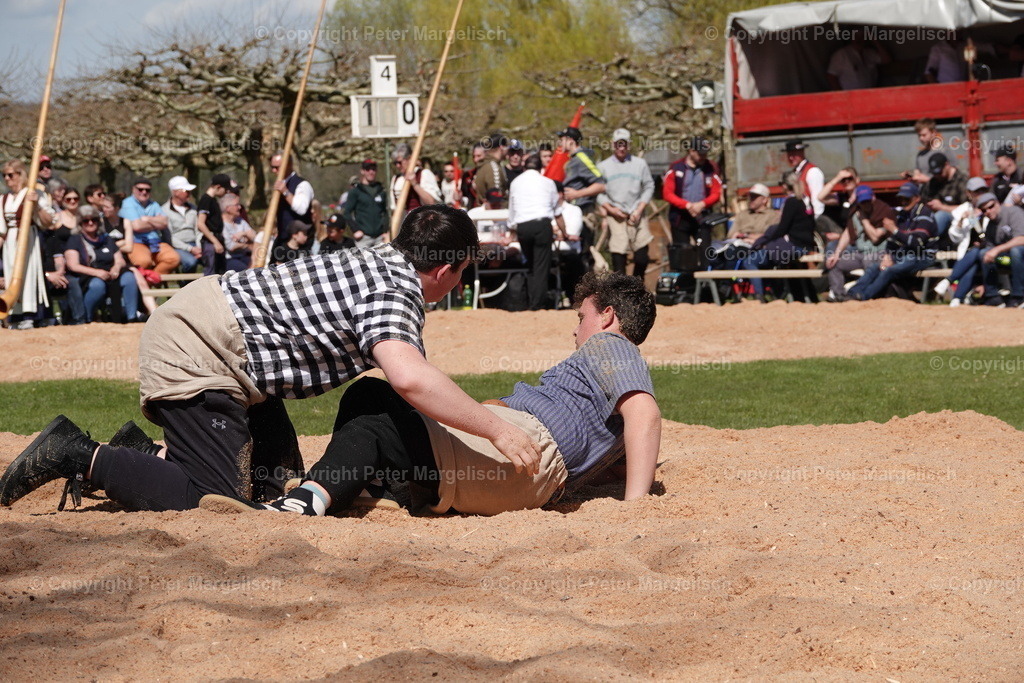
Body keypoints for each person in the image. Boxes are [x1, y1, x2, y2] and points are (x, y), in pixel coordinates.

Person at [0, 205, 547, 515]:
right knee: (213, 505)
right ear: (447, 271)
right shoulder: (395, 287)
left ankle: (140, 455)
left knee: (275, 485)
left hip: (231, 346)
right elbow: (408, 377)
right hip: (204, 348)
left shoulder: (385, 258)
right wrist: (497, 429)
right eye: (461, 276)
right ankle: (80, 454)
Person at [199, 270, 661, 517]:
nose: (575, 330)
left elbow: (644, 415)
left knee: (372, 412)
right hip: (518, 462)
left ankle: (307, 501)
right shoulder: (604, 379)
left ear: (606, 316)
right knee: (374, 404)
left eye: (581, 316)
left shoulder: (610, 345)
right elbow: (620, 437)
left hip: (524, 458)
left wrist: (635, 507)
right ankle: (364, 486)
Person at [847, 187, 937, 301]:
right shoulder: (903, 214)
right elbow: (893, 241)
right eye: (901, 199)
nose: (903, 202)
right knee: (875, 267)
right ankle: (851, 293)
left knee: (889, 270)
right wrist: (888, 255)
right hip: (906, 254)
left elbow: (917, 243)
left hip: (922, 256)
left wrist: (894, 230)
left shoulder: (925, 215)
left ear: (917, 198)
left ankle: (864, 297)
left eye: (907, 198)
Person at [743, 171, 816, 300]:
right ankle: (780, 294)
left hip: (795, 246)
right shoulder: (805, 200)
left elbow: (782, 229)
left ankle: (759, 297)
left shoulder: (791, 202)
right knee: (770, 255)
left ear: (785, 186)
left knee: (750, 261)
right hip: (805, 246)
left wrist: (765, 241)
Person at [0, 159, 54, 329]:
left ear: (20, 174)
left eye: (11, 175)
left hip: (28, 239)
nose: (7, 179)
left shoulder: (32, 193)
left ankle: (31, 314)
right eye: (4, 176)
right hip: (10, 242)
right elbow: (1, 230)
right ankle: (15, 314)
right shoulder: (3, 199)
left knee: (29, 273)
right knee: (11, 275)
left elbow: (48, 222)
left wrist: (36, 204)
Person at [64, 204, 140, 323]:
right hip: (88, 275)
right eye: (86, 221)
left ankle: (132, 317)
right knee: (98, 285)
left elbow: (120, 259)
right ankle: (87, 318)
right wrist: (96, 272)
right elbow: (72, 265)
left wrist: (116, 267)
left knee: (129, 278)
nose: (90, 223)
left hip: (111, 273)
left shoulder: (106, 239)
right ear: (80, 223)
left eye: (93, 219)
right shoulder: (75, 240)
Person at [508, 155, 566, 310]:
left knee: (531, 265)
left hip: (523, 227)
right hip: (541, 226)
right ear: (541, 168)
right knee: (541, 266)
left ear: (524, 167)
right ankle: (537, 305)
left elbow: (512, 210)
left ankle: (531, 302)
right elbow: (558, 212)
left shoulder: (515, 182)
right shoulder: (548, 183)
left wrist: (511, 230)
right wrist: (565, 233)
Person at [597, 128, 655, 277]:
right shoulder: (603, 166)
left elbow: (649, 186)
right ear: (612, 145)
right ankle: (621, 295)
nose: (621, 148)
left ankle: (636, 288)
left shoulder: (640, 164)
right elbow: (598, 193)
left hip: (637, 213)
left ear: (629, 145)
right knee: (618, 258)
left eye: (624, 144)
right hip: (616, 214)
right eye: (618, 144)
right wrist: (610, 209)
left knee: (642, 257)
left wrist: (640, 208)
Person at [824, 185, 896, 302]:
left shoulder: (884, 211)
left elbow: (875, 237)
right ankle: (839, 296)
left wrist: (864, 220)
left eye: (868, 201)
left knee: (869, 261)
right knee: (835, 263)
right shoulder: (855, 212)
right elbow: (848, 233)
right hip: (860, 253)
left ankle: (866, 296)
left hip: (878, 253)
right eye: (863, 202)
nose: (866, 205)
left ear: (873, 198)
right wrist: (836, 254)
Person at [663, 136, 722, 269]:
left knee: (705, 251)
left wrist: (702, 204)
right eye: (700, 153)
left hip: (702, 217)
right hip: (680, 218)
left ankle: (706, 283)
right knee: (683, 253)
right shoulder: (676, 167)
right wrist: (687, 205)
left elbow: (716, 193)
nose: (703, 156)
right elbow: (667, 193)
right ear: (691, 151)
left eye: (705, 153)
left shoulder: (711, 168)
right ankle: (685, 284)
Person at [560, 127, 606, 265]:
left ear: (571, 141)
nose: (560, 143)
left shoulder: (582, 158)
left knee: (583, 255)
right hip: (572, 213)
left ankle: (585, 286)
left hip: (583, 214)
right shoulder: (573, 159)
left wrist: (577, 194)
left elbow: (601, 184)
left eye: (562, 140)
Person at [119, 177, 178, 276]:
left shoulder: (153, 204)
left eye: (147, 190)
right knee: (143, 261)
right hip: (136, 242)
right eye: (140, 189)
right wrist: (155, 223)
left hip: (156, 242)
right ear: (133, 189)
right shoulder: (127, 203)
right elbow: (137, 226)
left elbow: (164, 223)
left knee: (174, 258)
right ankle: (144, 284)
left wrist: (147, 219)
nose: (144, 192)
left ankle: (151, 280)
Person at [978, 194, 1024, 307]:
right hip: (1007, 259)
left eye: (991, 206)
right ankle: (993, 296)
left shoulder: (1013, 212)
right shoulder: (991, 225)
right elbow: (990, 247)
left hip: (1020, 255)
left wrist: (997, 249)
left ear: (998, 203)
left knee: (1016, 251)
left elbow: (1022, 239)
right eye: (984, 210)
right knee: (984, 253)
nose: (988, 211)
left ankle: (1019, 296)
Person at [269, 151, 314, 252]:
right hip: (282, 240)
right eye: (272, 167)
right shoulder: (279, 186)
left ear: (288, 165)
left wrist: (285, 192)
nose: (273, 170)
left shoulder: (302, 185)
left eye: (277, 167)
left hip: (299, 243)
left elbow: (301, 209)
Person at [341, 159, 387, 248]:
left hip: (380, 238)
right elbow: (346, 213)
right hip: (363, 239)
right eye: (368, 169)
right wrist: (355, 229)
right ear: (362, 171)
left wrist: (386, 230)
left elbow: (385, 212)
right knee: (362, 261)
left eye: (373, 169)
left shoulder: (382, 191)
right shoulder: (355, 191)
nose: (371, 172)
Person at [921, 153, 967, 237]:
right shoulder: (933, 181)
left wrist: (941, 207)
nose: (937, 176)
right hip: (933, 217)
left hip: (956, 219)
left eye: (939, 172)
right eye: (934, 173)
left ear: (947, 165)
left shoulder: (961, 180)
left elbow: (968, 209)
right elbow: (923, 199)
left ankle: (925, 239)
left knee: (942, 215)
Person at [391, 143, 441, 218]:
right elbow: (394, 209)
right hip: (403, 223)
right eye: (395, 163)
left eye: (400, 162)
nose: (398, 166)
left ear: (410, 158)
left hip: (422, 221)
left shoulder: (424, 174)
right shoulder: (396, 179)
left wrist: (415, 184)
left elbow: (432, 203)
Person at [162, 176, 201, 272]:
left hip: (196, 245)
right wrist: (190, 249)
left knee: (212, 258)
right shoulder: (164, 211)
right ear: (175, 192)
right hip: (177, 247)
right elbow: (169, 236)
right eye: (186, 190)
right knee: (190, 262)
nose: (189, 193)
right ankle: (185, 285)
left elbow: (198, 230)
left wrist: (199, 247)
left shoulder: (194, 209)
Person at [826, 32, 891, 90]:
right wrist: (841, 96)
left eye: (862, 36)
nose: (859, 39)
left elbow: (886, 60)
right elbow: (831, 77)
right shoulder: (842, 54)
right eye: (856, 36)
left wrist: (875, 42)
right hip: (850, 97)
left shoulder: (869, 53)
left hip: (869, 94)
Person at [197, 174, 231, 275]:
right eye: (225, 189)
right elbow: (200, 224)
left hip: (217, 239)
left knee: (220, 272)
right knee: (210, 274)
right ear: (218, 187)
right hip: (210, 242)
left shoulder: (213, 200)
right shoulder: (206, 200)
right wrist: (215, 242)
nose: (226, 192)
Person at [782, 140, 825, 219]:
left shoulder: (813, 171)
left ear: (802, 152)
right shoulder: (796, 171)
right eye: (789, 154)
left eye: (794, 154)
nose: (791, 157)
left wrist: (814, 221)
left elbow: (818, 202)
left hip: (808, 220)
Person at [221, 194, 256, 271]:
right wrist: (247, 246)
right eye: (237, 205)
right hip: (229, 259)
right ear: (228, 208)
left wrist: (244, 233)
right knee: (247, 272)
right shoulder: (221, 224)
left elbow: (254, 237)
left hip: (243, 256)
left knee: (259, 267)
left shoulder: (240, 221)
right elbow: (230, 246)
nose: (240, 207)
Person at [473, 133, 509, 208]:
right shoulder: (493, 167)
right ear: (502, 148)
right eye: (507, 147)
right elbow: (495, 199)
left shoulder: (487, 165)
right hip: (492, 215)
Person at [907, 119, 946, 184]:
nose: (921, 138)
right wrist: (911, 176)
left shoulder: (944, 151)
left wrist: (927, 180)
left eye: (924, 135)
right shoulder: (921, 154)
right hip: (924, 193)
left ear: (933, 133)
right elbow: (917, 174)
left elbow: (951, 178)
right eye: (919, 135)